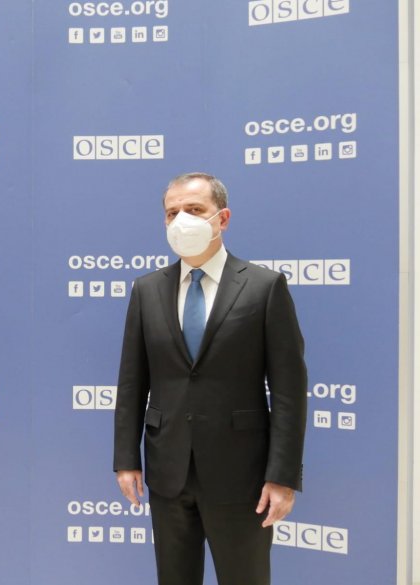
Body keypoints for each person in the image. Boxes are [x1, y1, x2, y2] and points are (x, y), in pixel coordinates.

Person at [113, 172, 307, 585]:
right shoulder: (147, 290)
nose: (181, 219)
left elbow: (289, 391)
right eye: (172, 213)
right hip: (167, 471)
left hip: (243, 476)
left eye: (194, 209)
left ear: (223, 218)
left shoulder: (264, 287)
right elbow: (132, 382)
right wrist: (126, 459)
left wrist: (283, 475)